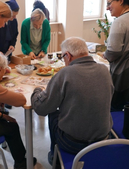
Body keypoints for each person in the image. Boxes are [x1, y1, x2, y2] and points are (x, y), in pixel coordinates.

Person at [31, 37, 114, 166]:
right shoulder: (104, 70)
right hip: (104, 138)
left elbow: (41, 109)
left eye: (63, 57)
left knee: (53, 114)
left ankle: (55, 158)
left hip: (74, 143)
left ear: (68, 55)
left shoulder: (65, 73)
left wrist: (36, 91)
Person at [0, 0, 19, 110]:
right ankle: (1, 106)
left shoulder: (14, 21)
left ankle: (7, 100)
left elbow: (15, 35)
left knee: (7, 75)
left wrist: (12, 45)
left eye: (15, 16)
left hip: (7, 51)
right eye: (12, 16)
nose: (13, 18)